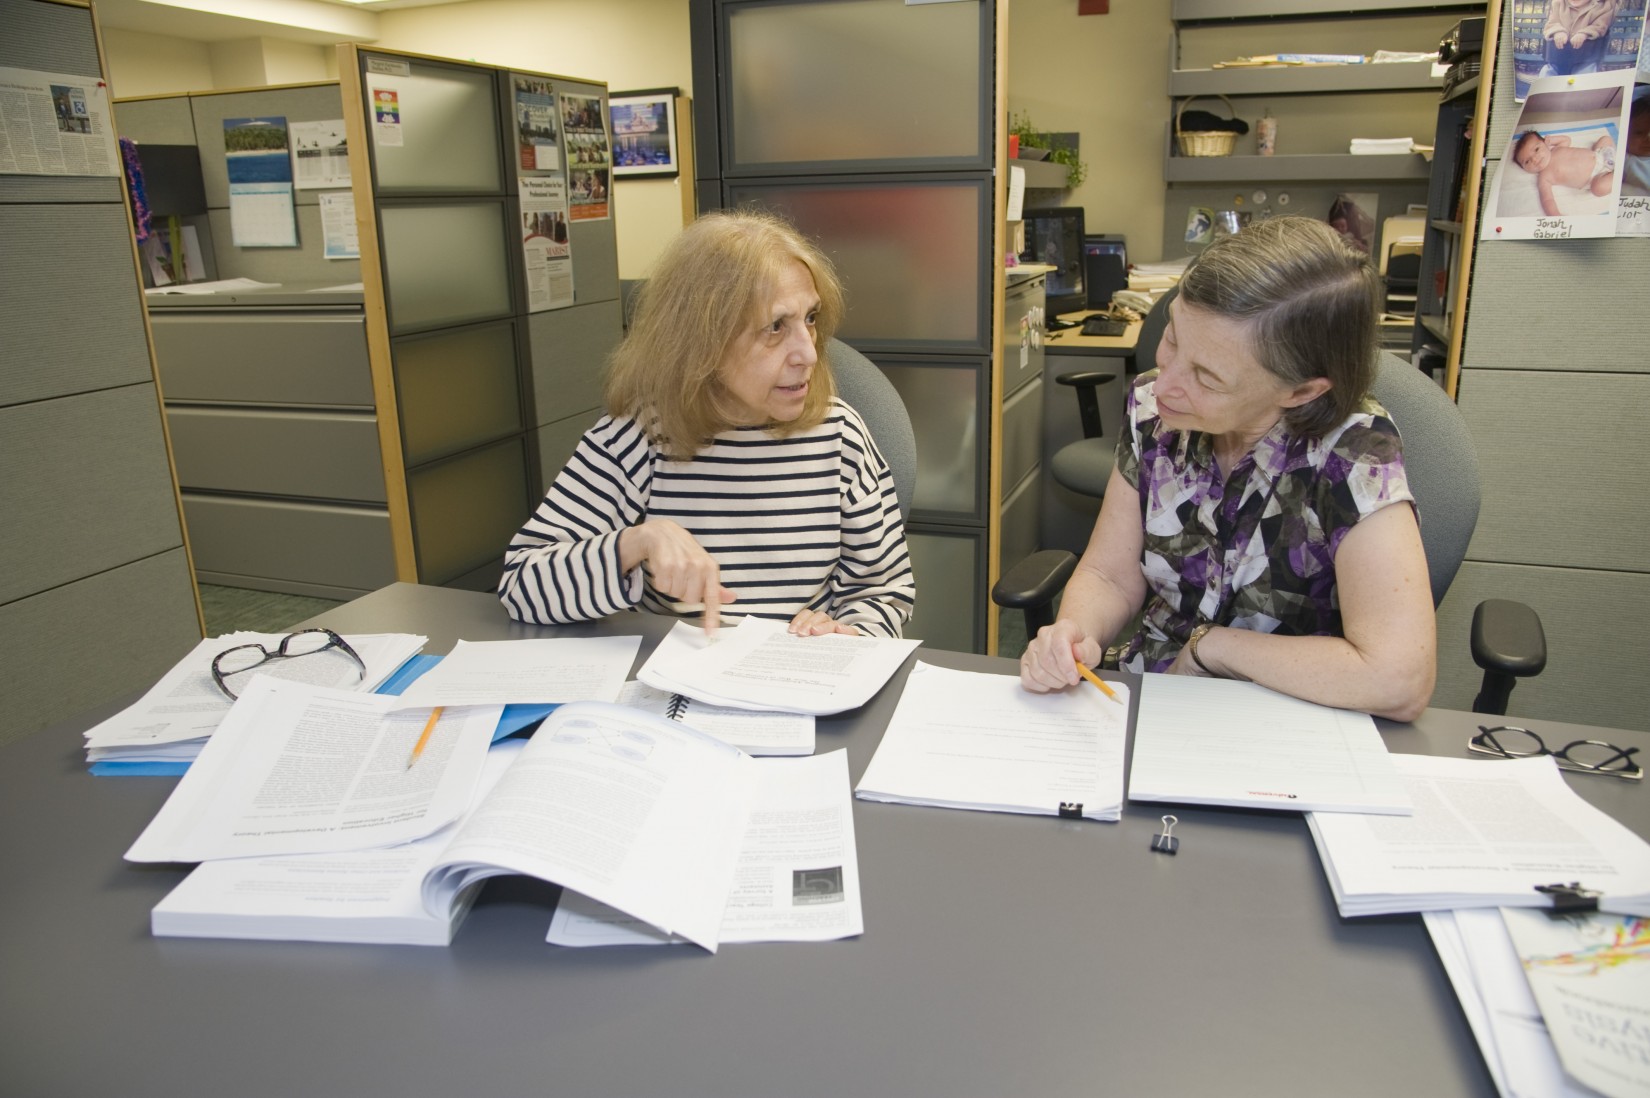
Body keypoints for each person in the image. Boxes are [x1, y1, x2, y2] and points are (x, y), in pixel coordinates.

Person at [1019, 216, 1434, 721]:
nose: (1164, 384)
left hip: (1289, 715)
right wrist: (1075, 633)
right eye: (1173, 338)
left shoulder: (1355, 453)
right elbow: (1109, 574)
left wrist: (1211, 648)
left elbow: (1397, 679)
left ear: (1302, 391)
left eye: (1207, 377)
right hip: (1155, 698)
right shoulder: (1153, 409)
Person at [499, 209, 915, 639]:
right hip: (671, 675)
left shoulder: (840, 437)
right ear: (704, 343)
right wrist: (635, 543)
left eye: (810, 319)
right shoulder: (639, 436)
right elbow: (520, 584)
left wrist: (851, 636)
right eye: (775, 327)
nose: (808, 353)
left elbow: (884, 592)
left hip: (798, 670)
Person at [1513, 129, 1617, 216]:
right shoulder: (1543, 178)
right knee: (1598, 189)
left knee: (1605, 139)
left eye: (1536, 149)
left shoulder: (1557, 148)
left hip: (1600, 155)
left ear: (1545, 143)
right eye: (1527, 161)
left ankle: (1612, 164)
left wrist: (1552, 140)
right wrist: (1556, 215)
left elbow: (1567, 139)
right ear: (1524, 169)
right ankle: (1616, 175)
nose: (1534, 159)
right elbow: (1547, 200)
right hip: (1597, 176)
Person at [1537, 0, 1618, 77]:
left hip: (1586, 59)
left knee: (1585, 74)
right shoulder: (1558, 3)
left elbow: (1600, 26)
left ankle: (1581, 87)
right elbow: (1552, 22)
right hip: (1558, 58)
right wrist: (1557, 31)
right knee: (1546, 72)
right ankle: (1545, 87)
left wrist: (1584, 33)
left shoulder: (1602, 7)